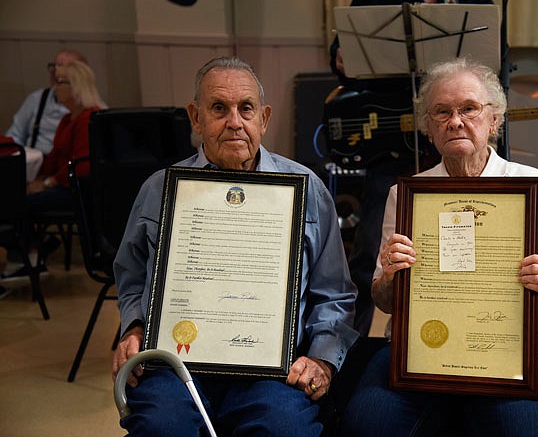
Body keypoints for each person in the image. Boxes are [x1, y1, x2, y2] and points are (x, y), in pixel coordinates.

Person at [338, 58, 538, 437]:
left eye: (469, 108)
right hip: (422, 352)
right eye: (442, 111)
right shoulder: (405, 196)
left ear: (494, 119)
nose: (456, 121)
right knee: (365, 425)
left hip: (523, 353)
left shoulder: (537, 186)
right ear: (427, 126)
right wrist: (389, 277)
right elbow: (385, 300)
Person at [111, 56, 359, 437]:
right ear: (196, 118)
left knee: (284, 429)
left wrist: (322, 360)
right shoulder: (158, 190)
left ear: (264, 118)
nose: (234, 122)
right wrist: (134, 328)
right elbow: (131, 277)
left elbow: (335, 295)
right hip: (179, 366)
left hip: (274, 372)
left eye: (246, 109)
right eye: (218, 109)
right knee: (160, 426)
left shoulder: (307, 189)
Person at [329, 0, 495, 337]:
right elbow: (344, 58)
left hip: (452, 141)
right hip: (391, 145)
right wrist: (341, 55)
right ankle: (350, 353)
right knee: (370, 255)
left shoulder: (472, 0)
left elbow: (496, 58)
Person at [1, 60, 106, 279]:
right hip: (66, 185)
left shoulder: (89, 118)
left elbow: (81, 166)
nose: (54, 88)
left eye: (60, 82)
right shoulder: (67, 120)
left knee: (23, 203)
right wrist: (37, 179)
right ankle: (34, 251)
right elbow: (55, 158)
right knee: (16, 195)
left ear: (75, 86)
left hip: (79, 192)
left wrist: (47, 183)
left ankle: (30, 258)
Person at [5, 49, 88, 157]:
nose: (55, 72)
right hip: (34, 162)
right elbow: (15, 134)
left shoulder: (88, 109)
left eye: (63, 67)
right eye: (54, 66)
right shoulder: (36, 99)